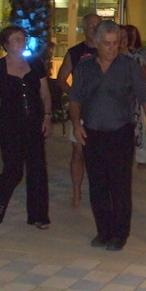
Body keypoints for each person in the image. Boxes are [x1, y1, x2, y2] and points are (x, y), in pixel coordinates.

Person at [69, 21, 146, 251]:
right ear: (96, 43)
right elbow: (75, 99)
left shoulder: (129, 66)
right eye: (107, 43)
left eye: (115, 43)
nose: (112, 48)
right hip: (92, 133)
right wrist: (76, 124)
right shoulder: (84, 67)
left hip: (120, 133)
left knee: (120, 186)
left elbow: (145, 100)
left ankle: (120, 233)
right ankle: (103, 231)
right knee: (97, 185)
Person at [0, 26, 52, 230]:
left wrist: (47, 117)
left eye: (22, 38)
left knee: (37, 170)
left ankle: (38, 215)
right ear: (6, 45)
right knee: (12, 171)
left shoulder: (35, 63)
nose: (21, 42)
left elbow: (45, 94)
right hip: (10, 125)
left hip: (34, 123)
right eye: (16, 39)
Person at [56, 13, 101, 208]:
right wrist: (75, 95)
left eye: (97, 25)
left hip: (103, 111)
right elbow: (61, 79)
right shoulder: (75, 52)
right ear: (84, 28)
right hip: (81, 110)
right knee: (78, 152)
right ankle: (76, 192)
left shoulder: (107, 50)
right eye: (90, 25)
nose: (94, 28)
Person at [126, 24, 146, 169]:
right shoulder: (119, 55)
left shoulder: (139, 54)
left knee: (139, 126)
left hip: (136, 95)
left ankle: (141, 157)